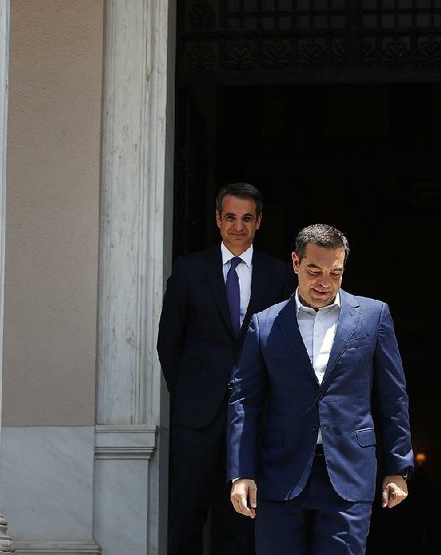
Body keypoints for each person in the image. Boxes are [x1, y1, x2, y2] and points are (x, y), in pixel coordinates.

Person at [227, 223, 414, 554]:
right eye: (314, 270)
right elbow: (245, 402)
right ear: (296, 264)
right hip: (279, 474)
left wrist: (398, 469)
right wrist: (241, 474)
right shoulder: (264, 324)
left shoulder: (374, 316)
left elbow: (393, 397)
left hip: (348, 472)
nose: (325, 282)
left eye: (335, 272)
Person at [157, 182, 296, 555]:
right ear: (218, 220)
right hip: (197, 414)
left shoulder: (279, 275)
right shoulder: (189, 270)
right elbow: (169, 341)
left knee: (245, 517)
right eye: (231, 217)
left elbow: (286, 347)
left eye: (247, 218)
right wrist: (188, 392)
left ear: (259, 222)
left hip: (255, 415)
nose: (238, 226)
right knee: (187, 514)